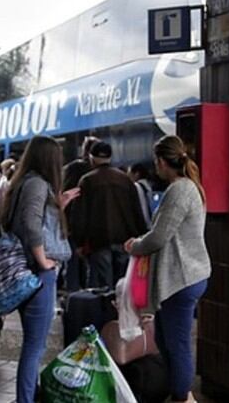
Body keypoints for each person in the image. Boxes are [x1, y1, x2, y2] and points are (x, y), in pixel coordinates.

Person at [124, 135, 211, 403]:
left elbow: (159, 236)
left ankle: (182, 398)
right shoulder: (187, 187)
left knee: (177, 344)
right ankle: (183, 394)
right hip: (183, 275)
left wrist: (134, 246)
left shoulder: (180, 190)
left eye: (156, 162)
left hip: (182, 277)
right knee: (166, 340)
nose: (156, 167)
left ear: (162, 161)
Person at [0, 136, 79, 403]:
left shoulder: (25, 181)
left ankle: (28, 396)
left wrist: (58, 205)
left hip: (28, 272)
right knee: (35, 347)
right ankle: (25, 400)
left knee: (33, 344)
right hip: (37, 273)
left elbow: (34, 218)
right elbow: (31, 225)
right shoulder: (36, 184)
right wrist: (44, 261)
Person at [71, 141, 147, 289]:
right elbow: (137, 211)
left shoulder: (87, 180)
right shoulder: (125, 179)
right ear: (110, 158)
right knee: (123, 284)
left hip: (99, 241)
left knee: (102, 286)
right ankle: (120, 311)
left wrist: (79, 242)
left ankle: (105, 311)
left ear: (91, 158)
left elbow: (79, 215)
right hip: (125, 240)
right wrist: (141, 236)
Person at [62, 136, 97, 291]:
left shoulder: (72, 169)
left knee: (73, 263)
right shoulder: (96, 172)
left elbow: (65, 194)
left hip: (72, 223)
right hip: (92, 224)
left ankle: (73, 297)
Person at [128, 163, 154, 227]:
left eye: (129, 173)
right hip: (151, 221)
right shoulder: (148, 185)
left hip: (142, 221)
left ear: (137, 174)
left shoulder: (136, 186)